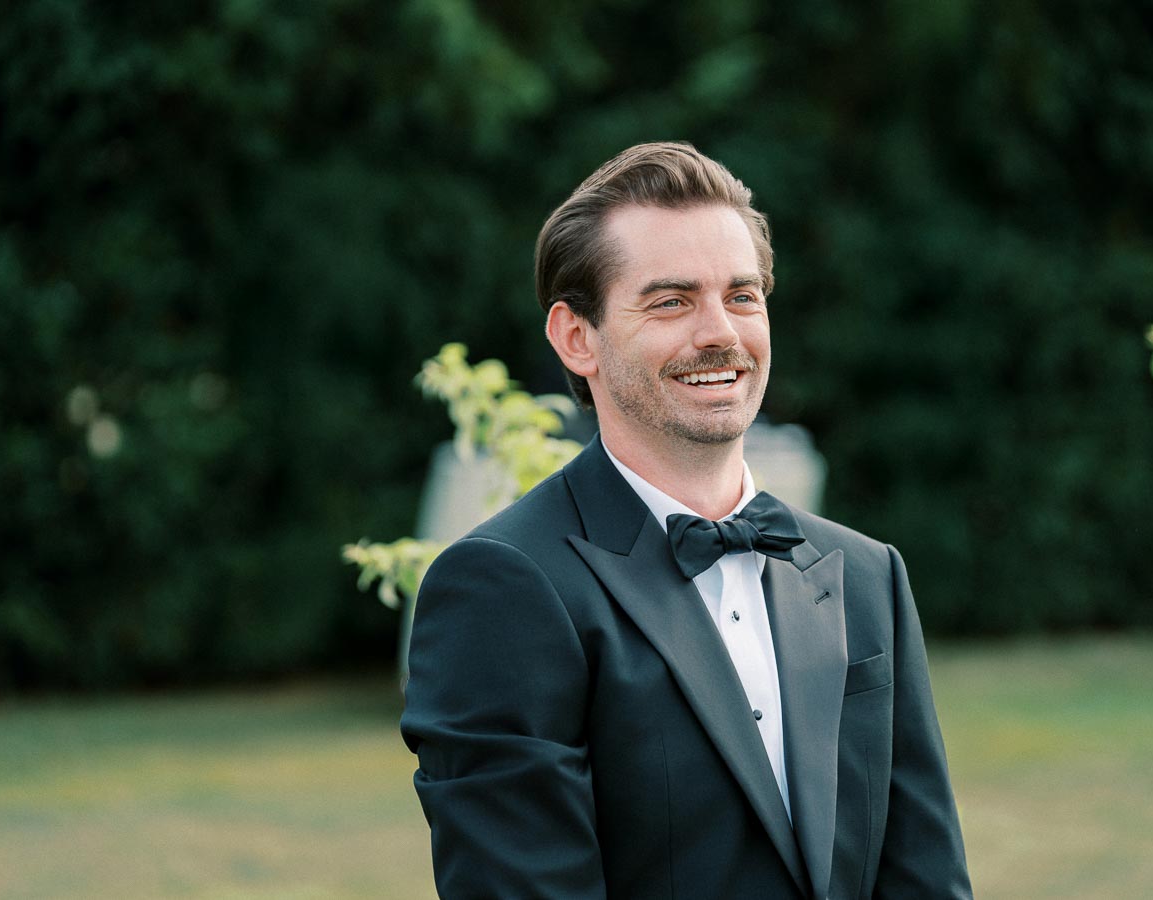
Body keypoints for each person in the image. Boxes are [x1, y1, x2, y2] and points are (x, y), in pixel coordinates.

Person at [401, 142, 972, 899]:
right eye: (671, 301)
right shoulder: (501, 587)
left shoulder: (868, 575)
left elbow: (926, 879)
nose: (720, 333)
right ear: (577, 338)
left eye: (742, 296)